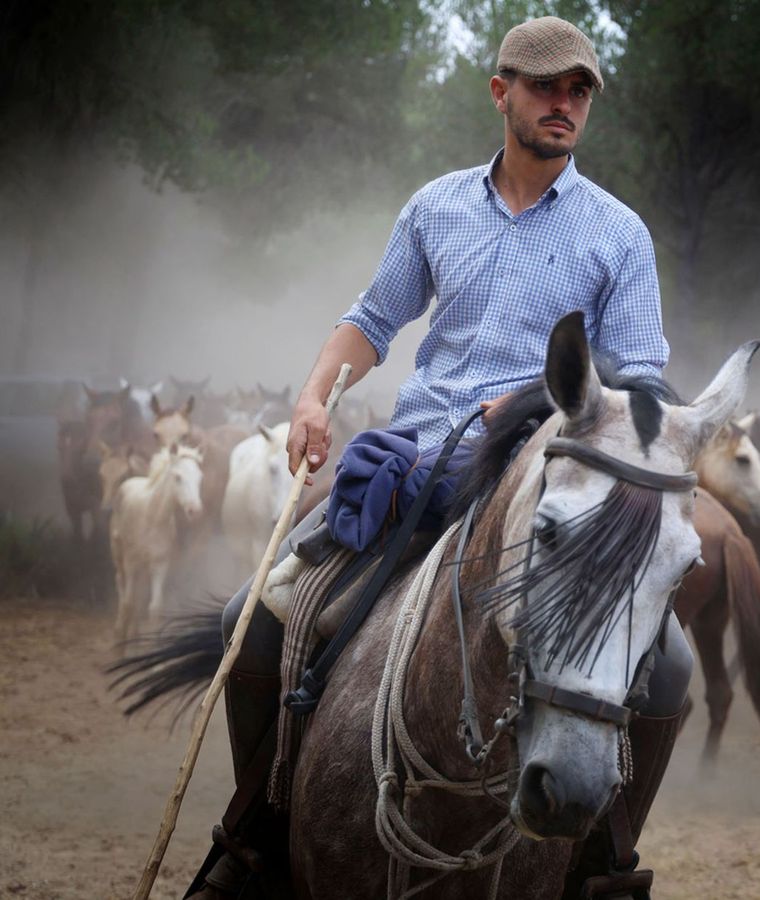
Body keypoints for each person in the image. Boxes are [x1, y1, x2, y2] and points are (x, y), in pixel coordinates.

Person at [199, 18, 687, 898]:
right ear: (501, 92)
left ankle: (601, 864)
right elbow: (373, 322)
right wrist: (315, 394)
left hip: (542, 482)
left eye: (579, 91)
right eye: (545, 87)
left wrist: (542, 400)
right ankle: (258, 834)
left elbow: (640, 383)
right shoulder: (436, 207)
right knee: (259, 613)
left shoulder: (620, 234)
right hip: (416, 467)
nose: (564, 104)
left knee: (673, 667)